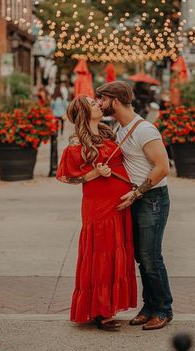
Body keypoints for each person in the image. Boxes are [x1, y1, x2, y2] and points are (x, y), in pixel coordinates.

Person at [96, 81, 173, 330]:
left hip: (151, 199)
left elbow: (162, 168)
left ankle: (163, 309)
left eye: (102, 99)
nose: (99, 104)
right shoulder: (120, 127)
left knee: (151, 258)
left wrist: (137, 192)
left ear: (114, 101)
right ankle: (149, 307)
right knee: (141, 257)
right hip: (136, 199)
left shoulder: (145, 130)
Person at [56, 96, 137, 331]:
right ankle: (101, 311)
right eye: (92, 104)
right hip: (98, 205)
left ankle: (110, 305)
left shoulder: (109, 133)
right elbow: (67, 176)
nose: (98, 105)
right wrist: (93, 174)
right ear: (84, 113)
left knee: (116, 250)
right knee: (101, 251)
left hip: (119, 203)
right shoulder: (76, 142)